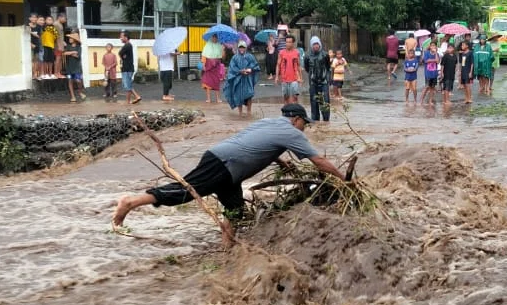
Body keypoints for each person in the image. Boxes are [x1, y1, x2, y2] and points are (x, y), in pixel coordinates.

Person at [112, 104, 345, 244]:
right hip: (224, 165)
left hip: (225, 164)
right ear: (296, 120)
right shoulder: (293, 133)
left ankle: (228, 247)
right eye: (305, 123)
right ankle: (130, 202)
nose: (306, 128)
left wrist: (280, 160)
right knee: (184, 193)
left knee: (234, 208)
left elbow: (255, 143)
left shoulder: (268, 122)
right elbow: (319, 161)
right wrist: (344, 181)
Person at [223, 40, 259, 117]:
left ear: (246, 48)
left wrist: (250, 69)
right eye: (240, 47)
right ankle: (240, 112)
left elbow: (255, 66)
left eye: (243, 47)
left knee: (249, 94)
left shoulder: (250, 56)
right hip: (238, 80)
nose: (242, 49)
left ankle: (249, 111)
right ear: (238, 48)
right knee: (239, 95)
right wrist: (240, 71)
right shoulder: (235, 57)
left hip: (248, 79)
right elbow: (232, 68)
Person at [304, 36, 331, 122]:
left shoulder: (325, 55)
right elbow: (307, 68)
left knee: (325, 101)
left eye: (317, 44)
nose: (316, 46)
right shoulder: (307, 56)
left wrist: (327, 79)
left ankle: (326, 121)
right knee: (314, 101)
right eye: (314, 44)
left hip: (324, 82)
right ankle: (315, 121)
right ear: (311, 45)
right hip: (313, 82)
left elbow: (328, 67)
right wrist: (312, 76)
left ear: (320, 45)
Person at [276, 35, 302, 105]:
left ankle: (296, 113)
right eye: (286, 42)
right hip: (284, 78)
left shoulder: (297, 52)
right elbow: (278, 65)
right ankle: (286, 113)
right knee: (285, 97)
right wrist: (277, 77)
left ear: (293, 43)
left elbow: (299, 65)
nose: (288, 44)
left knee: (295, 97)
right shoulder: (281, 52)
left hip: (294, 79)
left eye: (290, 42)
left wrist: (300, 78)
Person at [202, 34, 225, 103]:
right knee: (207, 81)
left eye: (216, 37)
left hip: (216, 65)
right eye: (213, 37)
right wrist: (203, 64)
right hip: (208, 65)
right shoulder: (207, 45)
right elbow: (204, 55)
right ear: (211, 38)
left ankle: (218, 98)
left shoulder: (219, 46)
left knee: (216, 81)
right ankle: (208, 98)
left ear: (217, 38)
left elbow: (223, 57)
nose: (214, 39)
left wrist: (223, 50)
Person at [120, 31, 141, 104]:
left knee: (127, 85)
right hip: (126, 68)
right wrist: (123, 56)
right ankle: (129, 101)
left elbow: (120, 53)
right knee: (128, 85)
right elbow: (121, 54)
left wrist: (122, 55)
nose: (120, 38)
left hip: (127, 69)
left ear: (126, 37)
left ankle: (136, 96)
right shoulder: (127, 45)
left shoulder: (128, 45)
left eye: (122, 37)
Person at [63, 32, 86, 103]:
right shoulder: (68, 46)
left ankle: (80, 91)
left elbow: (77, 56)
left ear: (74, 39)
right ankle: (73, 96)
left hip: (77, 67)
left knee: (78, 80)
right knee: (70, 81)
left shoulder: (79, 47)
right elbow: (64, 53)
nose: (69, 39)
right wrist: (73, 52)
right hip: (69, 67)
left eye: (70, 38)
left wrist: (70, 53)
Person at [28, 14, 41, 79]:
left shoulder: (38, 27)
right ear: (30, 18)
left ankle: (35, 73)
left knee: (36, 61)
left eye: (36, 17)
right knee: (31, 61)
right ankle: (32, 74)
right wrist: (30, 44)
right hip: (29, 46)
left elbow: (39, 36)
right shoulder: (27, 26)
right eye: (33, 17)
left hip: (37, 45)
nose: (34, 19)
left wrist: (31, 32)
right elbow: (25, 37)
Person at [54, 13, 67, 77]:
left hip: (61, 44)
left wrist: (63, 42)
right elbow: (56, 36)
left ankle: (59, 72)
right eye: (64, 18)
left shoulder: (60, 24)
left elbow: (60, 36)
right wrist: (59, 45)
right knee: (58, 59)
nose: (65, 20)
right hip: (57, 45)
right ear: (60, 17)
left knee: (60, 59)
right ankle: (56, 73)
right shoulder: (56, 24)